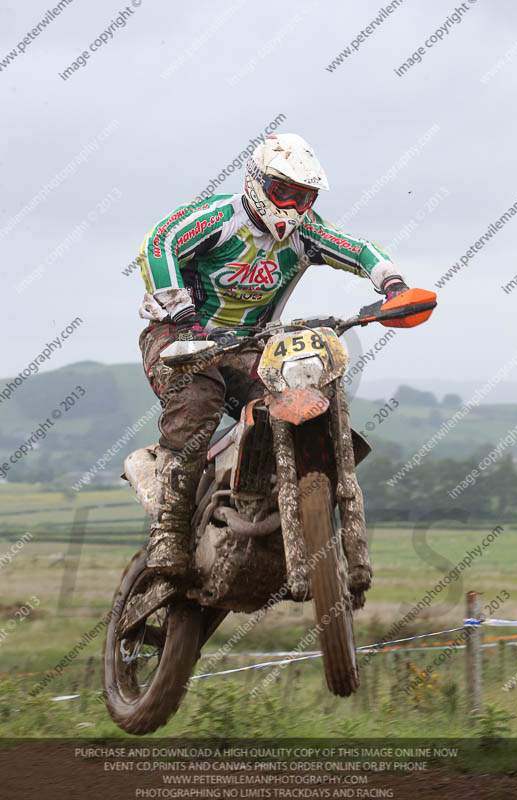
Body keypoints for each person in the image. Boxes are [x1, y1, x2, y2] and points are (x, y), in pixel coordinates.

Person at [137, 132, 408, 584]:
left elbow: (357, 249)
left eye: (305, 197)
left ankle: (277, 499)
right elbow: (158, 244)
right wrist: (183, 313)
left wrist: (395, 285)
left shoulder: (304, 232)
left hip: (248, 346)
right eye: (285, 193)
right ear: (258, 184)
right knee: (201, 399)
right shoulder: (219, 218)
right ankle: (168, 527)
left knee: (298, 391)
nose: (294, 206)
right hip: (179, 336)